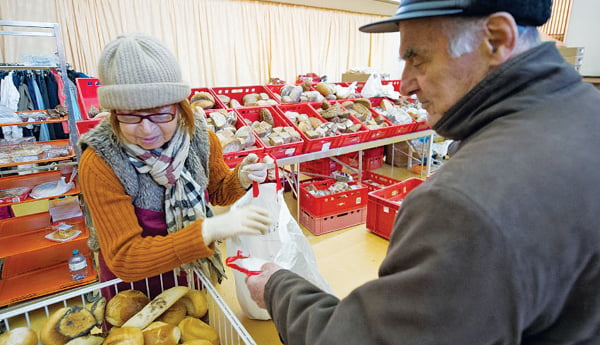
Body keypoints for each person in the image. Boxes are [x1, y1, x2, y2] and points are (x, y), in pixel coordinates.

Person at [246, 1, 600, 344]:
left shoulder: (462, 202)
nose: (404, 84)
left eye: (417, 58)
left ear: (496, 39)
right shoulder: (586, 112)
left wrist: (279, 287)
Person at [78, 33, 272, 297]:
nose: (146, 129)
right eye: (130, 116)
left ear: (180, 107)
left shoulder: (200, 139)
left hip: (194, 278)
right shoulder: (101, 162)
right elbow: (125, 258)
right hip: (135, 293)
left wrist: (242, 178)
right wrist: (209, 230)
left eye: (160, 113)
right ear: (113, 113)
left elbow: (217, 193)